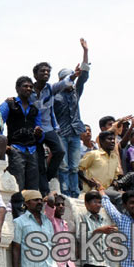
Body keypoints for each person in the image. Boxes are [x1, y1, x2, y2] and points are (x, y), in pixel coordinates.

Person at [30, 62, 79, 195]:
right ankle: (44, 190)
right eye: (42, 71)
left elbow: (65, 83)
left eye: (48, 72)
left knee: (59, 151)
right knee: (39, 162)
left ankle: (48, 177)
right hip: (34, 130)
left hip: (48, 127)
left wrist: (75, 75)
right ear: (35, 74)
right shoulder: (29, 90)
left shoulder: (51, 89)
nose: (46, 74)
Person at [53, 39, 90, 199]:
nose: (71, 81)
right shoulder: (55, 94)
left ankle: (75, 193)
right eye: (67, 78)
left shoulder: (76, 92)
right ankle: (66, 193)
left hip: (75, 132)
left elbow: (84, 75)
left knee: (75, 166)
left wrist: (85, 52)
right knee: (64, 165)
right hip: (61, 132)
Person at [0, 77, 43, 207]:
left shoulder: (34, 109)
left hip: (32, 149)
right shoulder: (10, 104)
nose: (28, 89)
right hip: (16, 148)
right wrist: (3, 143)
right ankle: (17, 213)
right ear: (17, 88)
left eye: (30, 87)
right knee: (17, 183)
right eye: (25, 86)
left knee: (33, 187)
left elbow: (40, 132)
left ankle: (32, 214)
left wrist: (39, 133)